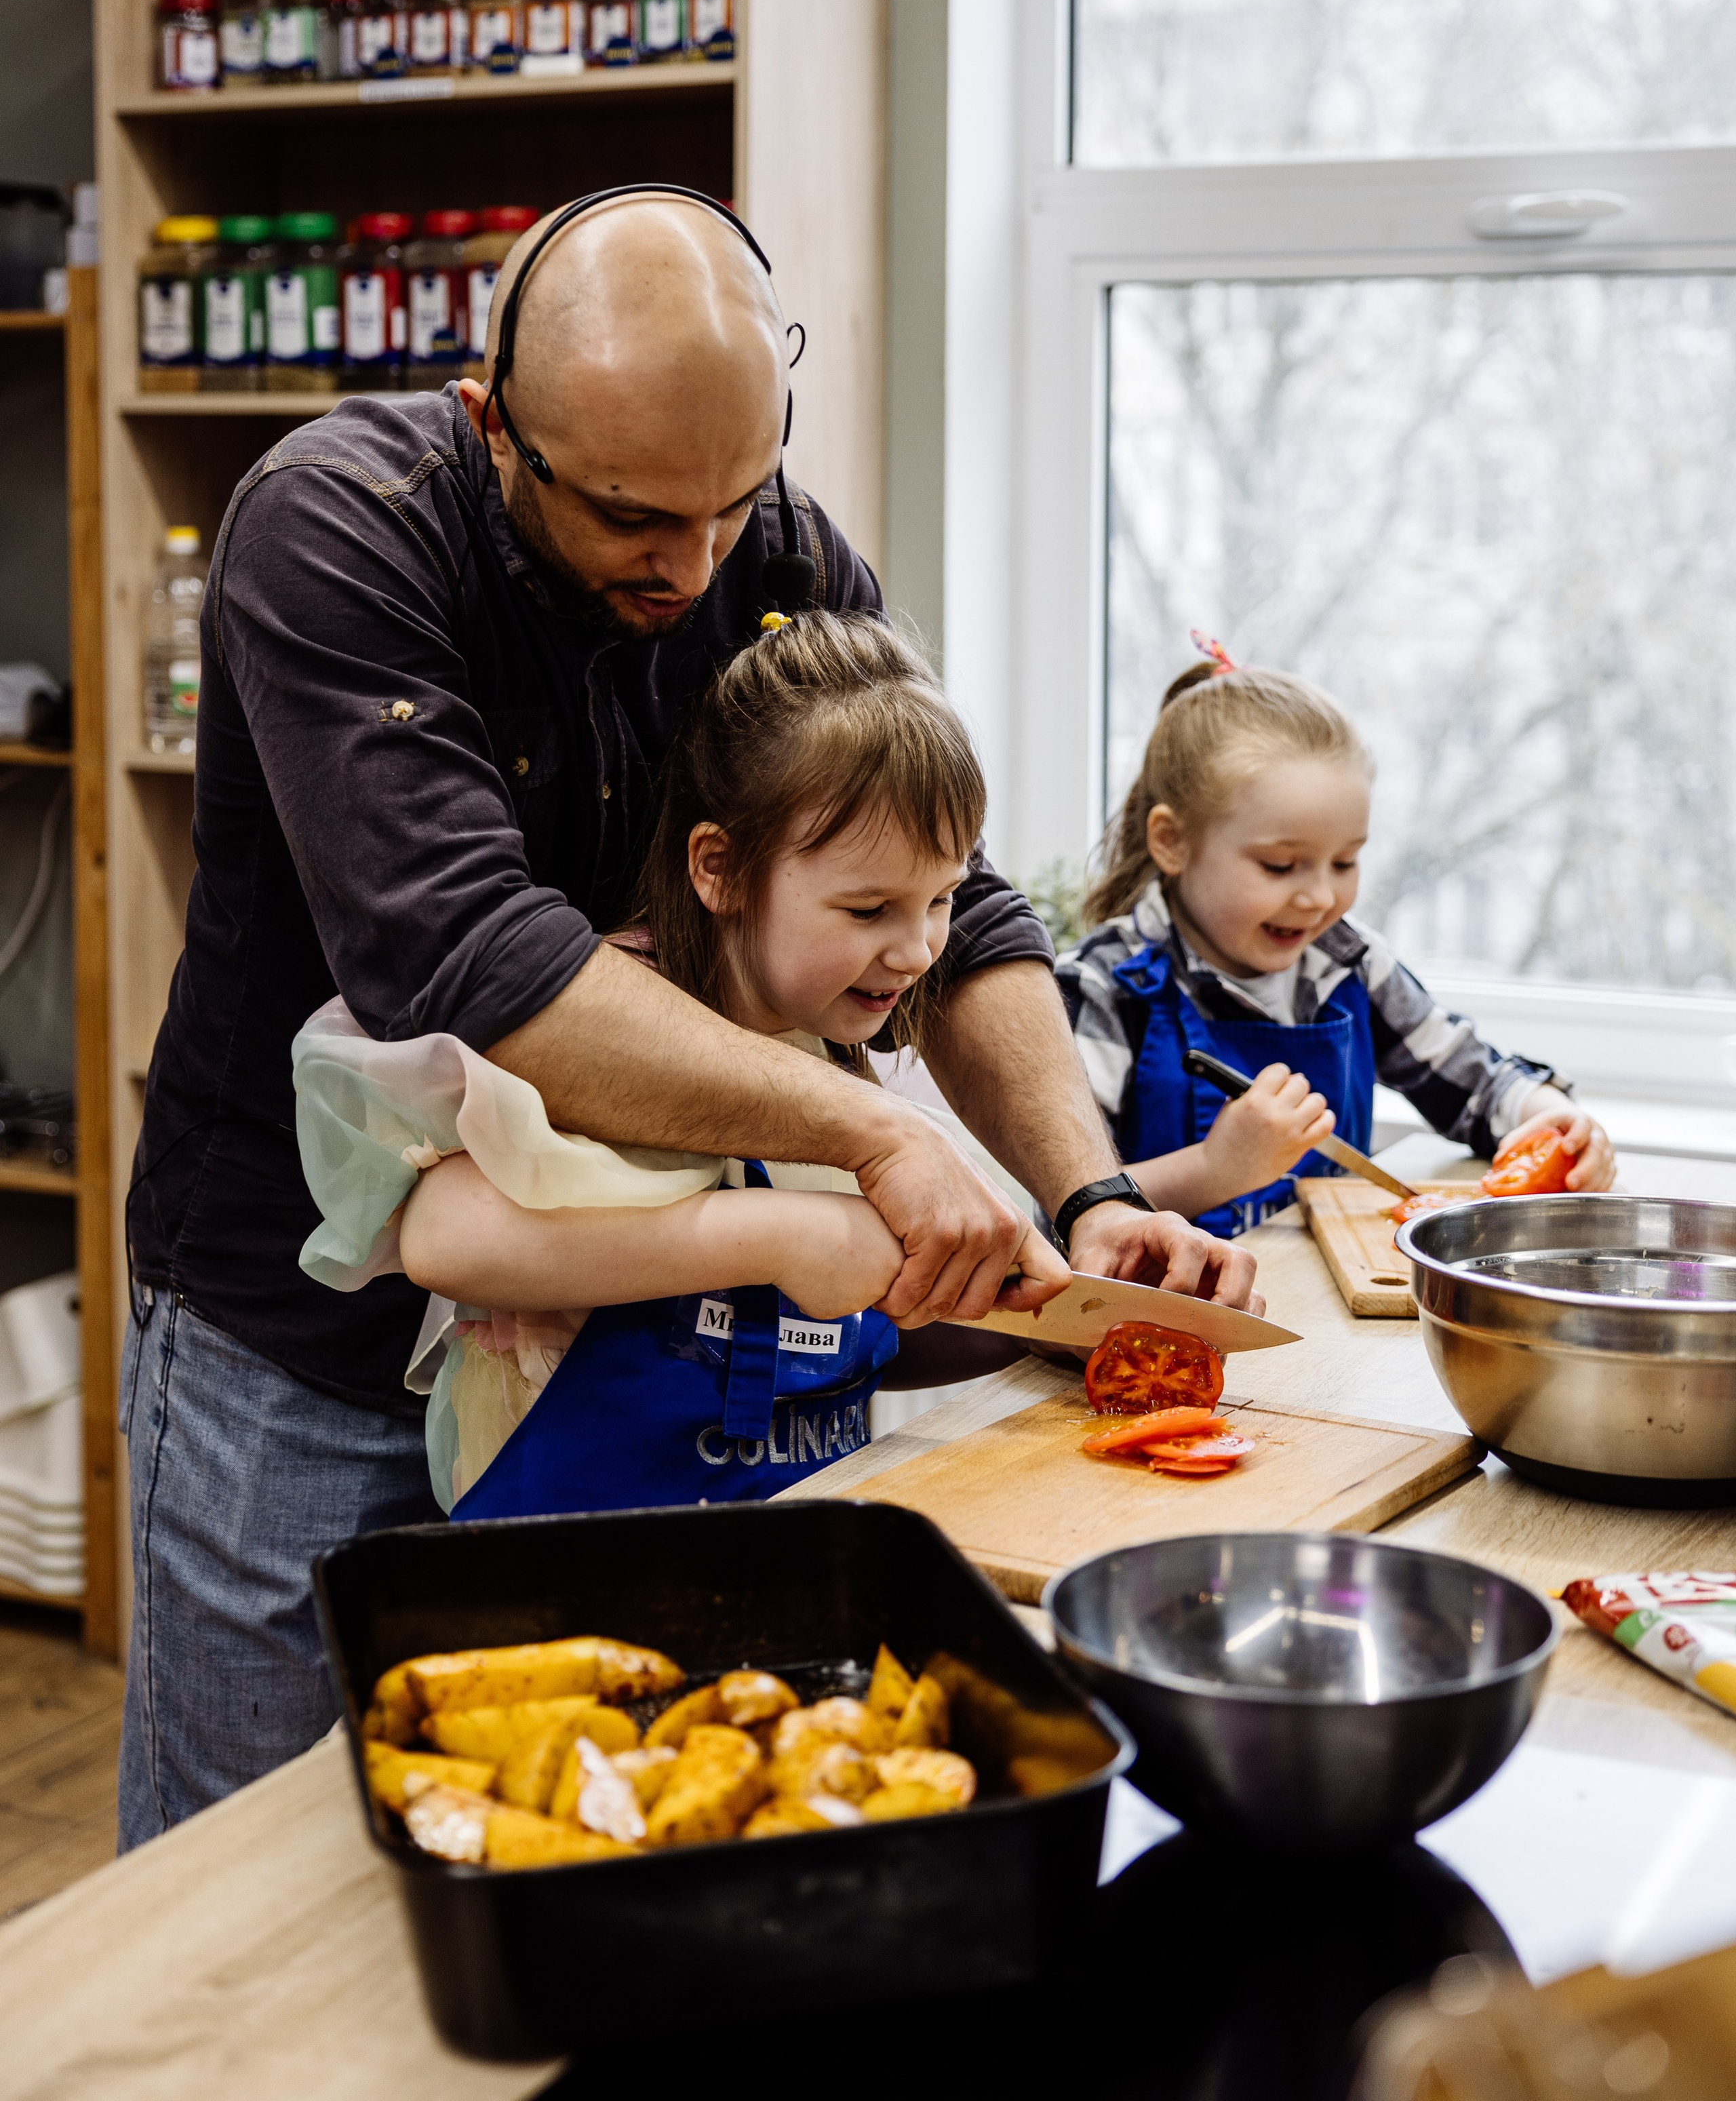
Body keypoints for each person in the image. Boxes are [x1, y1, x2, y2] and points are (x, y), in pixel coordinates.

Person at [119, 187, 1255, 1848]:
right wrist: (865, 1137)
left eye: (736, 496)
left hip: (589, 1362)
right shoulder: (334, 527)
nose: (699, 560)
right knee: (243, 1869)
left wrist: (1081, 1198)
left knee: (532, 1832)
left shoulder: (768, 543)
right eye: (639, 516)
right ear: (491, 421)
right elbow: (479, 965)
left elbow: (964, 904)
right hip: (295, 1333)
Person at [295, 612, 1059, 1515]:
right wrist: (785, 1235)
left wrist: (1045, 1319)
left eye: (942, 900)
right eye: (868, 911)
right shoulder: (603, 1026)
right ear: (720, 868)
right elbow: (442, 1237)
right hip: (571, 1575)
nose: (917, 950)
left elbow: (872, 1327)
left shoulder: (835, 1040)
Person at [1057, 643, 1615, 1236]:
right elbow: (1070, 1210)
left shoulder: (1348, 964)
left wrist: (1553, 1120)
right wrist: (1215, 1170)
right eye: (1279, 865)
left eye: (1345, 862)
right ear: (1171, 841)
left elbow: (1478, 1085)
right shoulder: (1105, 989)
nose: (1320, 897)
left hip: (1324, 1312)